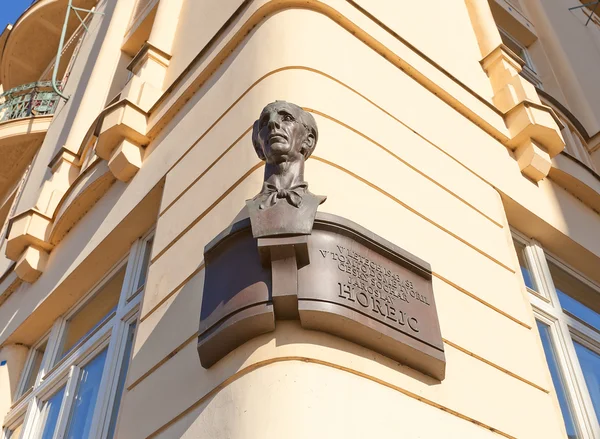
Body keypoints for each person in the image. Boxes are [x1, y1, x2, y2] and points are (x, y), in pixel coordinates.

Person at [246, 101, 326, 237]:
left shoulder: (311, 203)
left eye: (287, 118)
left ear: (308, 140)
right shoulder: (252, 207)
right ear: (259, 148)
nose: (272, 123)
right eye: (265, 122)